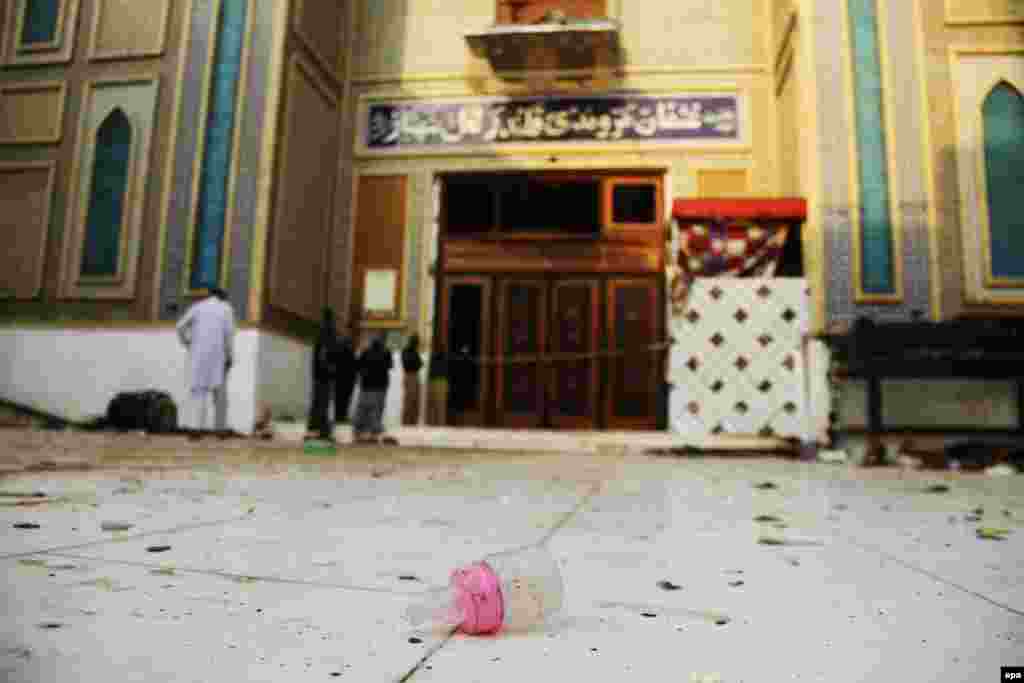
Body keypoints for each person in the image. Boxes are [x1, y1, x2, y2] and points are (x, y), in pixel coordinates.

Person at [176, 287, 235, 438]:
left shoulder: (198, 307)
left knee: (198, 392)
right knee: (220, 394)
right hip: (218, 356)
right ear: (223, 297)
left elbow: (180, 326)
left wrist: (187, 342)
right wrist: (230, 356)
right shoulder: (226, 308)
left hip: (198, 355)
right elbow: (228, 334)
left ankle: (195, 430)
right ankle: (220, 431)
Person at [353, 335, 393, 443]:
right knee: (377, 410)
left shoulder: (365, 352)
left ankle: (360, 433)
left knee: (363, 410)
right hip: (380, 386)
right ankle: (373, 433)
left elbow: (357, 366)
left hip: (366, 386)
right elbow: (390, 366)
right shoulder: (386, 352)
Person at [305, 307, 338, 442]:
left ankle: (312, 429)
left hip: (317, 374)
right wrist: (330, 368)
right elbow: (324, 353)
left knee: (316, 402)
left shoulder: (319, 331)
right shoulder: (329, 332)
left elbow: (318, 353)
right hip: (325, 374)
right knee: (323, 403)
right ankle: (323, 431)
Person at [332, 333, 358, 424]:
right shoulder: (350, 353)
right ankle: (341, 417)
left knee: (339, 399)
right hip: (347, 381)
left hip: (340, 380)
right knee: (345, 400)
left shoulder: (338, 352)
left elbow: (335, 366)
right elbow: (355, 367)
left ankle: (338, 416)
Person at [401, 334, 424, 425]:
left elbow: (419, 364)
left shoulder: (408, 351)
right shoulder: (410, 351)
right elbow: (418, 364)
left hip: (411, 376)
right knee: (410, 401)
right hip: (411, 376)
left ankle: (411, 422)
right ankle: (408, 422)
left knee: (413, 401)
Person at [426, 342, 449, 426]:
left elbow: (431, 372)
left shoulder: (435, 357)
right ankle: (439, 423)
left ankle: (434, 423)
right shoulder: (445, 358)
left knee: (434, 405)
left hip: (436, 381)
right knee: (440, 406)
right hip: (441, 382)